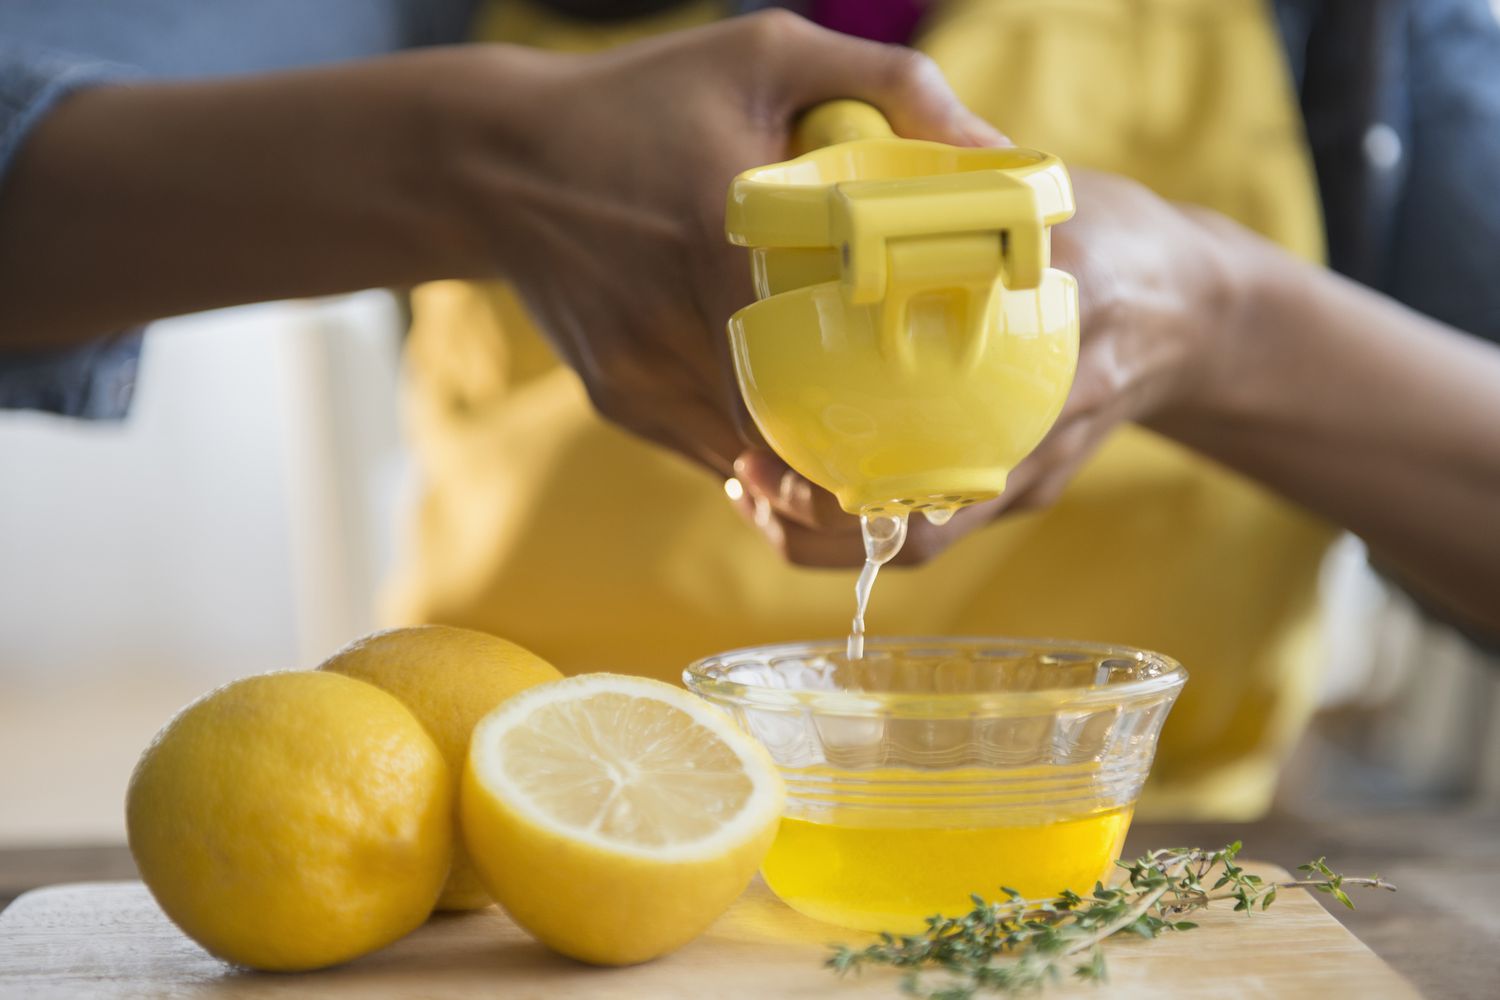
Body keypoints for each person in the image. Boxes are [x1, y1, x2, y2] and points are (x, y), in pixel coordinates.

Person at [2, 0, 1497, 819]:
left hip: (1140, 894)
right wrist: (478, 161)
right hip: (533, 856)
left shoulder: (1362, 35)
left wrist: (1223, 317)